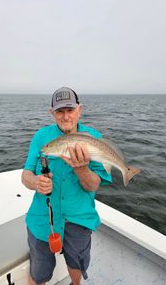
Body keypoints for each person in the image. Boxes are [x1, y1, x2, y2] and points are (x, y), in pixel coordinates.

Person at [21, 87, 112, 285]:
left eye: (70, 110)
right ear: (52, 113)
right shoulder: (41, 137)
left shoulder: (94, 137)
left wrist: (81, 169)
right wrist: (35, 182)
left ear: (79, 110)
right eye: (60, 111)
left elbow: (93, 185)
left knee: (76, 264)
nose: (65, 116)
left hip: (79, 216)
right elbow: (26, 174)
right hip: (42, 218)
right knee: (38, 271)